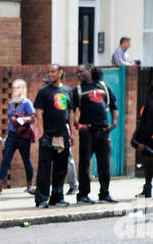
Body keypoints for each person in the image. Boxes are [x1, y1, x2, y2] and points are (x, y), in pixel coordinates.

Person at [71, 65, 118, 204]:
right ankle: (83, 195)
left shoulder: (104, 86)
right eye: (77, 72)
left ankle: (104, 194)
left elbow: (114, 106)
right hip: (87, 133)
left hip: (104, 131)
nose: (78, 74)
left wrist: (113, 124)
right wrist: (78, 125)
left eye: (81, 71)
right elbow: (70, 111)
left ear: (89, 70)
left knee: (104, 164)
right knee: (85, 164)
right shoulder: (78, 90)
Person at [33, 65, 74, 208]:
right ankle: (42, 199)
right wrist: (41, 132)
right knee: (44, 168)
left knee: (60, 167)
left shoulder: (68, 90)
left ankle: (57, 197)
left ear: (61, 73)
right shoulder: (44, 92)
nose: (50, 74)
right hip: (48, 136)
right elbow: (39, 113)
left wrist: (72, 134)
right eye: (49, 72)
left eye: (53, 71)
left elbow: (70, 113)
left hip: (62, 137)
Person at [0, 77, 36, 193]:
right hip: (12, 135)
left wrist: (21, 119)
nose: (14, 90)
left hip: (23, 136)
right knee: (6, 159)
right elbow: (10, 122)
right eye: (13, 87)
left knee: (26, 160)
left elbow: (33, 118)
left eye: (17, 87)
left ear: (23, 89)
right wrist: (7, 135)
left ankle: (30, 184)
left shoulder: (27, 103)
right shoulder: (11, 103)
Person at [131, 84, 153, 198]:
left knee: (148, 165)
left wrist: (142, 142)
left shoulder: (150, 104)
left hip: (149, 139)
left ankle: (148, 189)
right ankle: (147, 188)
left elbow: (147, 125)